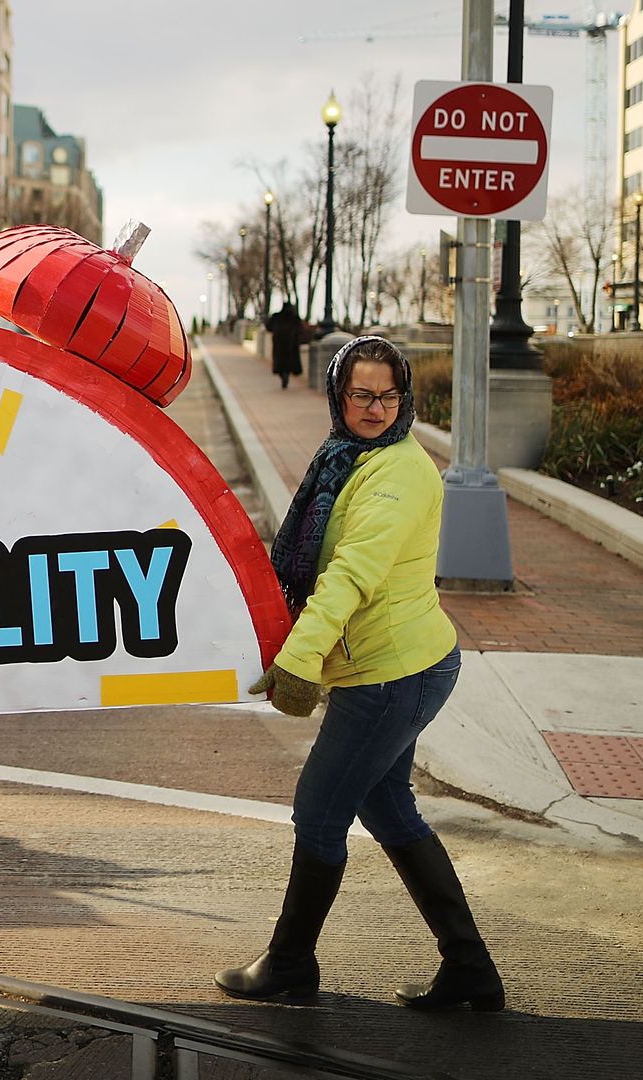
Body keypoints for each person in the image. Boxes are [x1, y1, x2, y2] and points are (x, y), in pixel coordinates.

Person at [217, 335, 503, 1012]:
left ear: (405, 399)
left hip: (390, 675)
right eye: (360, 394)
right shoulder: (347, 460)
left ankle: (290, 961)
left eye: (388, 395)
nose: (375, 408)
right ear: (338, 396)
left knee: (318, 811)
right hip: (399, 666)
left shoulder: (399, 473)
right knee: (386, 804)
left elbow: (350, 577)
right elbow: (311, 555)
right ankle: (470, 969)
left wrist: (298, 658)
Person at [265, 301, 304, 390]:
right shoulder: (294, 318)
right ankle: (286, 375)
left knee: (280, 363)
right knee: (289, 363)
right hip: (291, 345)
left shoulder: (276, 317)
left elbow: (269, 327)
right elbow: (300, 330)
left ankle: (283, 376)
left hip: (279, 344)